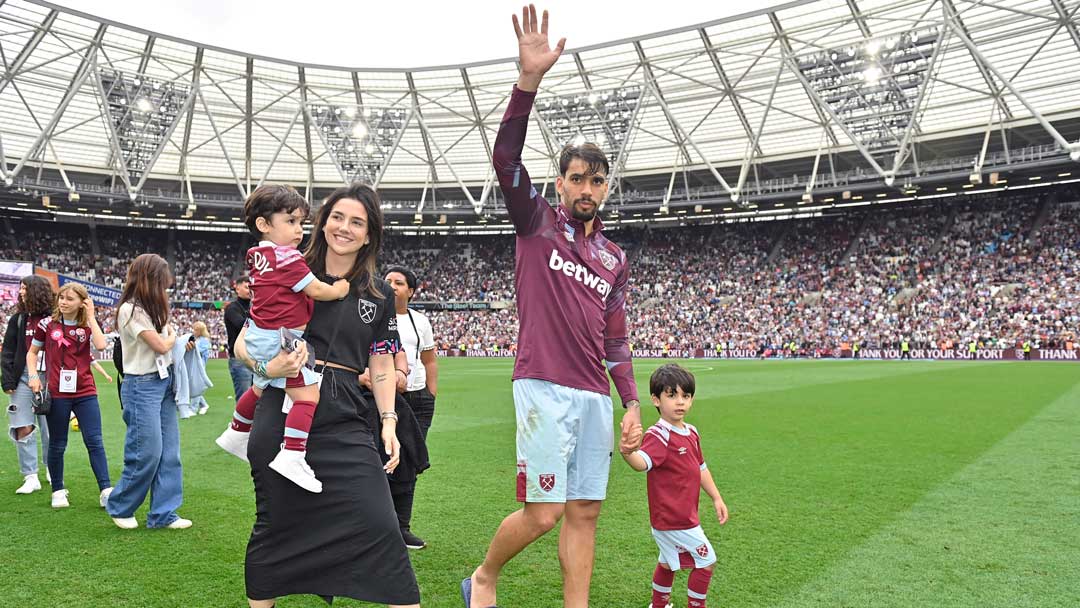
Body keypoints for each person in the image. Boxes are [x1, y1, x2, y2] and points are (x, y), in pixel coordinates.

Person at [464, 7, 643, 607]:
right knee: (542, 513)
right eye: (576, 178)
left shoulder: (614, 258)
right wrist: (527, 83)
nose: (586, 189)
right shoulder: (536, 222)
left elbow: (615, 341)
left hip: (595, 394)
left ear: (606, 188)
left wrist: (632, 403)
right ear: (560, 183)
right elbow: (504, 161)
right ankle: (483, 577)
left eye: (596, 180)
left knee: (585, 511)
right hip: (542, 385)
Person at [236, 182, 420, 607]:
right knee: (274, 523)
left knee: (380, 523)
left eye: (357, 221)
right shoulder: (286, 265)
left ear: (369, 233)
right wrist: (266, 367)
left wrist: (389, 421)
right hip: (284, 407)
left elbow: (380, 363)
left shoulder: (380, 293)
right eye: (337, 217)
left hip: (346, 416)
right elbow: (246, 340)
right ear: (322, 221)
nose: (344, 227)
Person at [216, 184, 350, 493]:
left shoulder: (257, 255)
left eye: (301, 223)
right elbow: (317, 290)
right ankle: (292, 453)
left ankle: (236, 431)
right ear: (263, 225)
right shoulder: (287, 258)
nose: (299, 231)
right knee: (307, 396)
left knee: (261, 386)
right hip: (281, 338)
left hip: (262, 334)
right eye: (290, 222)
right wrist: (340, 289)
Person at [621, 364, 728, 608]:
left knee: (668, 562)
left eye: (685, 396)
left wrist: (716, 498)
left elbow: (700, 467)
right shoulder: (659, 434)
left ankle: (659, 604)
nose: (680, 402)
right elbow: (642, 463)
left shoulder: (691, 432)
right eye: (672, 395)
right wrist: (628, 452)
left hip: (681, 516)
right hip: (673, 519)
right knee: (707, 561)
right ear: (656, 400)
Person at [105, 253, 190, 530]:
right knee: (147, 451)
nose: (165, 289)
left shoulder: (153, 308)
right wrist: (175, 336)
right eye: (162, 283)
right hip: (141, 385)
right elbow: (162, 345)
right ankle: (120, 505)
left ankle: (163, 513)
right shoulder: (130, 309)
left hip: (162, 382)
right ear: (150, 280)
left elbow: (165, 343)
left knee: (169, 453)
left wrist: (173, 338)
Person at [26, 283, 112, 509]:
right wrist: (34, 376)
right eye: (61, 297)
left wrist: (91, 316)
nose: (63, 302)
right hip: (57, 392)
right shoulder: (47, 324)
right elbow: (32, 353)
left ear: (82, 302)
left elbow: (101, 345)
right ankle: (57, 490)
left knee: (94, 441)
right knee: (58, 444)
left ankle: (105, 490)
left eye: (70, 299)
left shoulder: (88, 324)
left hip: (85, 391)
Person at [385, 265, 438, 550]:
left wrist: (431, 394)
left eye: (399, 282)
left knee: (411, 463)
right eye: (388, 280)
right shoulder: (373, 315)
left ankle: (401, 528)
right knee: (383, 461)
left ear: (411, 291)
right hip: (384, 397)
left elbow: (429, 360)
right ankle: (381, 525)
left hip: (417, 399)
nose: (392, 285)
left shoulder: (420, 321)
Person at [2, 276, 53, 495]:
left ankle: (53, 468)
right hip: (23, 377)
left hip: (50, 377)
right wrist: (7, 379)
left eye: (25, 288)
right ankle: (30, 476)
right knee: (22, 424)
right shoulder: (18, 320)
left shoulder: (54, 318)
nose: (21, 292)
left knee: (51, 428)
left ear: (37, 291)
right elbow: (8, 351)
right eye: (20, 288)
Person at [224, 276, 253, 400]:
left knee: (256, 401)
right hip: (239, 359)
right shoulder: (232, 308)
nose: (250, 290)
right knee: (244, 400)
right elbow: (242, 325)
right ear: (237, 288)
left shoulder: (253, 307)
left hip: (254, 358)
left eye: (252, 287)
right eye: (247, 287)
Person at [190, 321, 212, 415]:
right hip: (195, 366)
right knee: (195, 386)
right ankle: (204, 405)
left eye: (195, 329)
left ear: (199, 331)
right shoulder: (198, 339)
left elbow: (198, 351)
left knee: (196, 386)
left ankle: (193, 409)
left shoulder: (204, 341)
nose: (193, 331)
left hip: (200, 366)